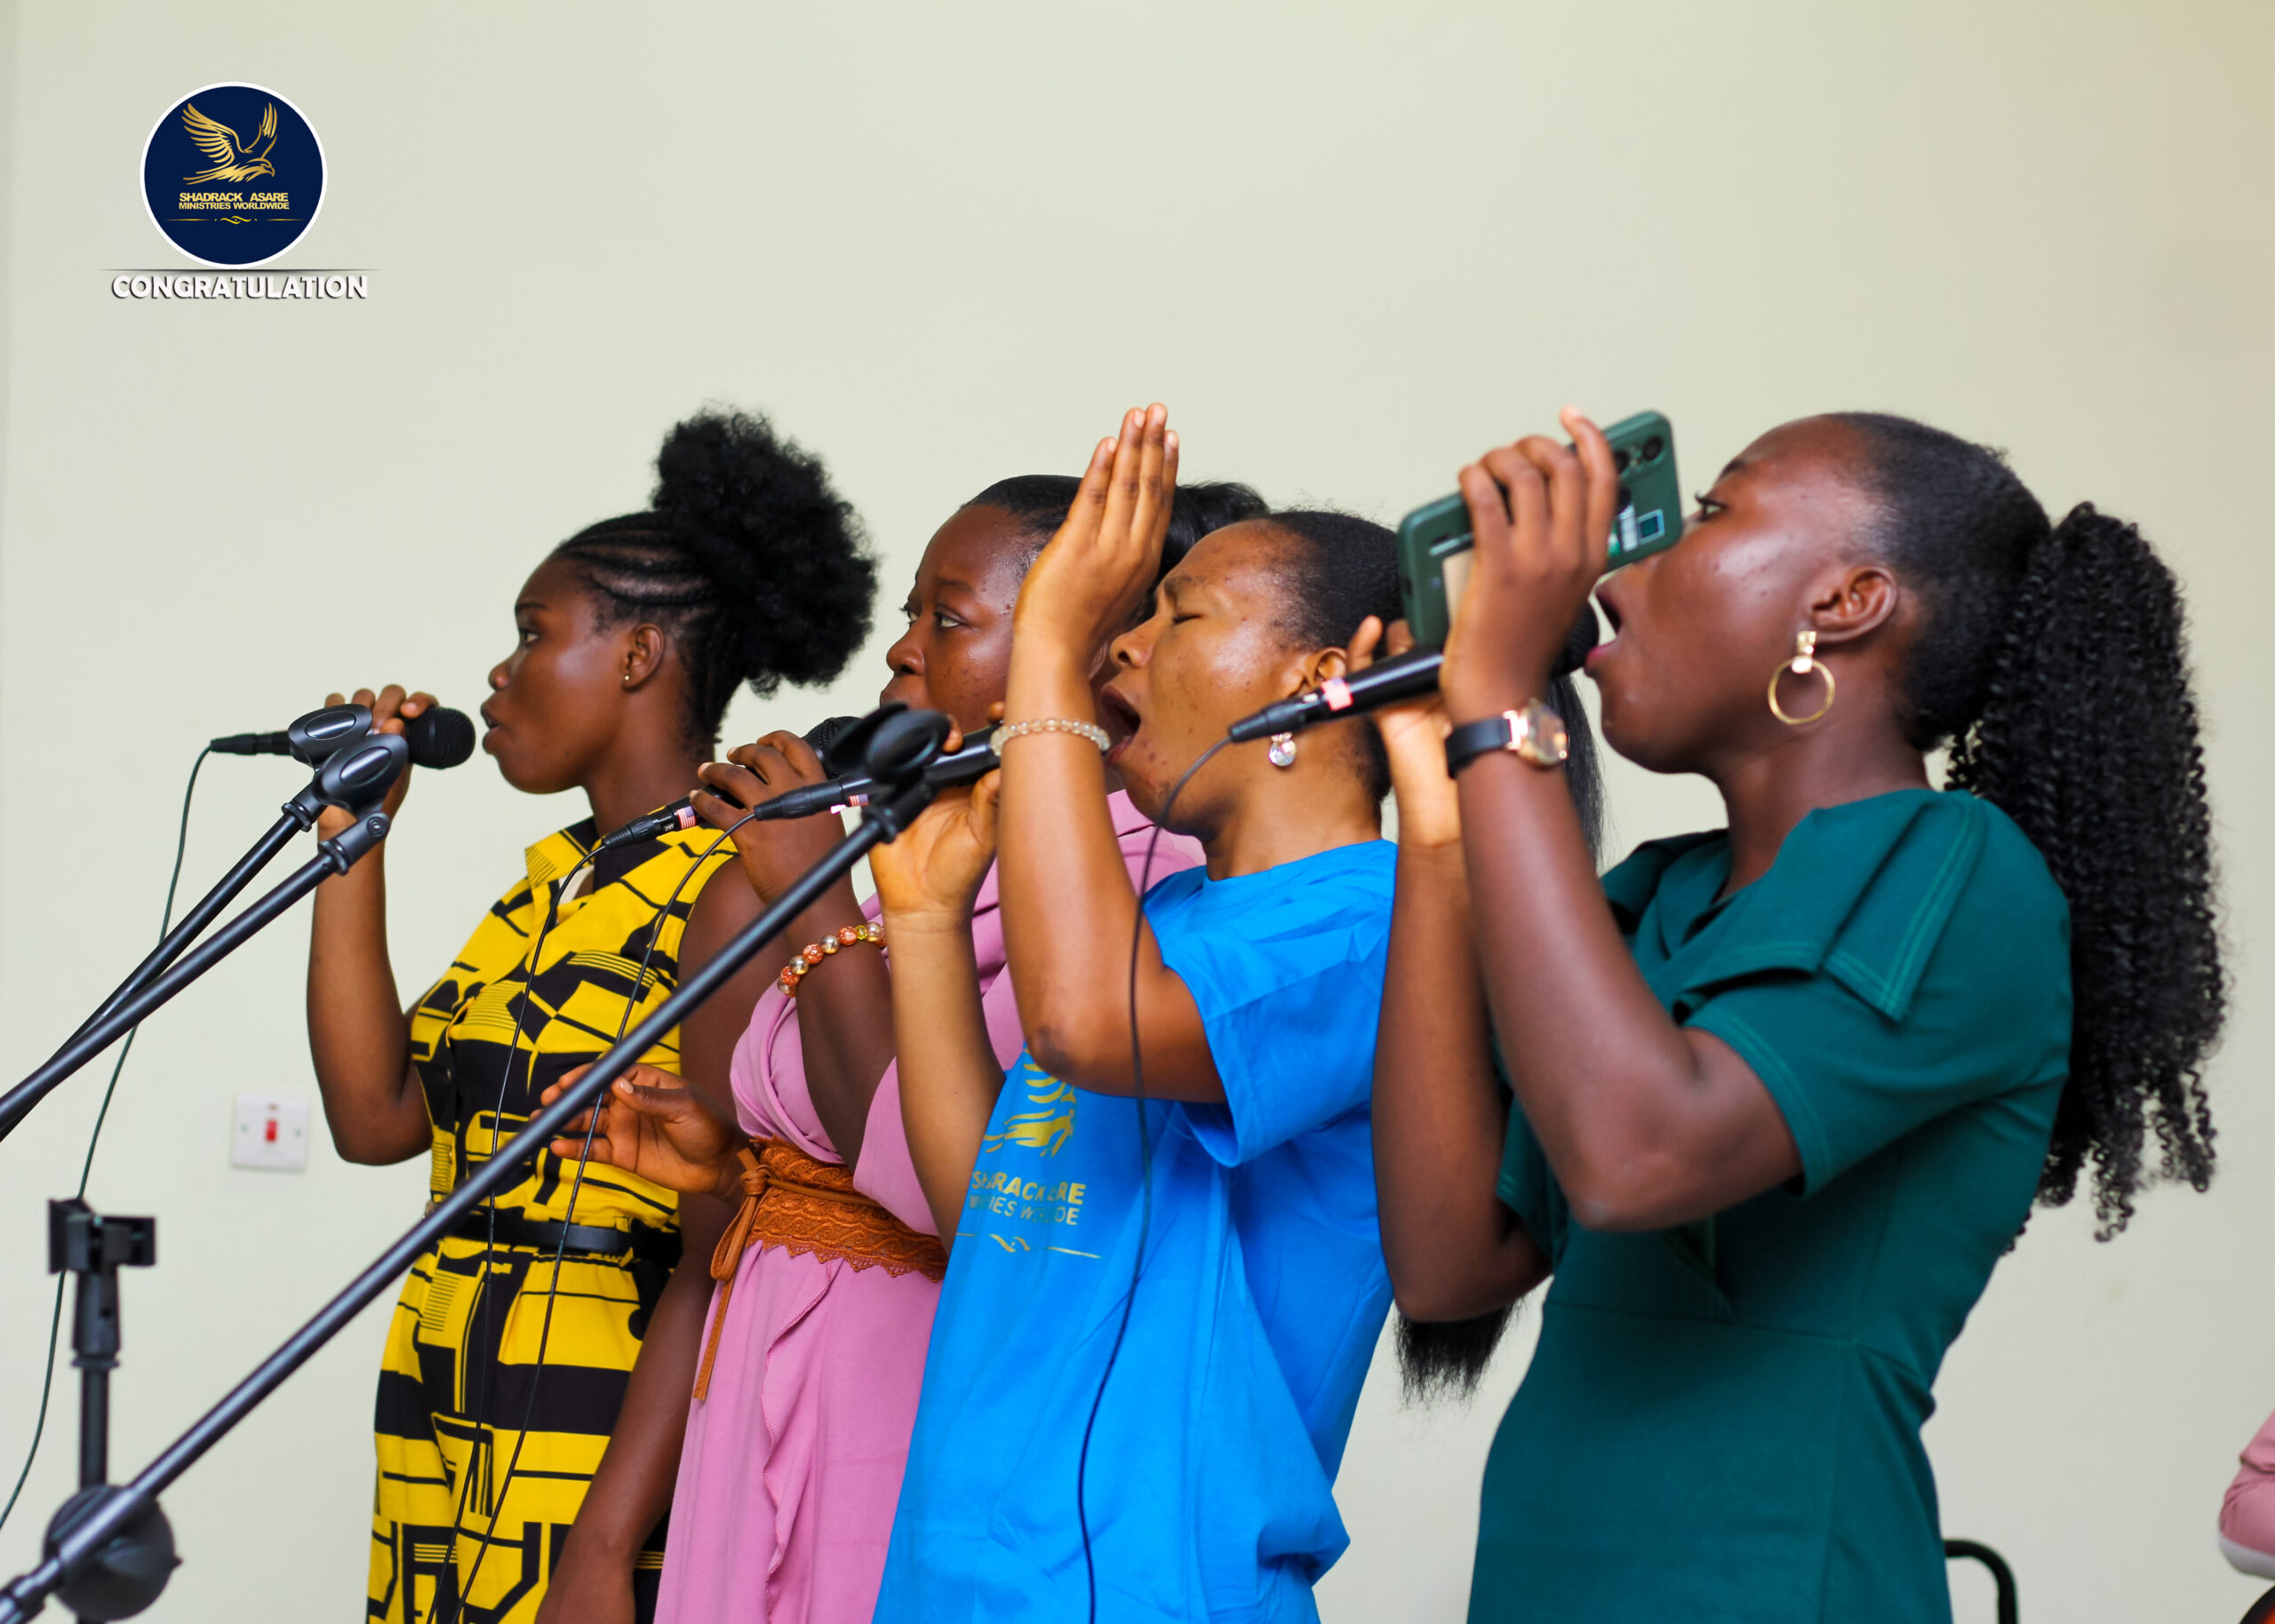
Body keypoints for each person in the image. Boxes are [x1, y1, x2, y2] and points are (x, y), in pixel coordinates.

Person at [1371, 409, 2223, 1622]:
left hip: (1779, 1583)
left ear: (1848, 603)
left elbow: (1638, 1153)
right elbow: (1449, 1263)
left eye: (1711, 513)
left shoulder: (1958, 872)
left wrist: (1506, 714)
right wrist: (1439, 810)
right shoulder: (1656, 901)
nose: (1609, 579)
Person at [539, 472, 1254, 1624]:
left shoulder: (1134, 880)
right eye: (909, 613)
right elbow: (794, 1127)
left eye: (947, 618)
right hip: (766, 1353)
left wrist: (813, 901)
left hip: (914, 1383)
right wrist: (728, 1166)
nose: (901, 652)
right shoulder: (915, 849)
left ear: (1082, 646)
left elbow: (939, 1181)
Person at [304, 410, 876, 1624]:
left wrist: (603, 1549)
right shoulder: (548, 886)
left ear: (637, 656)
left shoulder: (736, 880)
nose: (498, 676)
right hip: (442, 1401)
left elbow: (730, 1230)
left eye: (533, 635)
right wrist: (355, 846)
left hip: (596, 1430)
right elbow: (377, 1118)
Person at [866, 406, 1402, 1622]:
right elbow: (987, 1208)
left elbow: (1087, 1026)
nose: (1126, 647)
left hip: (1149, 1589)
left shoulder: (1374, 927)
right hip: (957, 1581)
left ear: (1319, 678)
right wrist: (928, 922)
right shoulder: (1155, 922)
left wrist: (1049, 649)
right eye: (1127, 618)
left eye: (1181, 616)